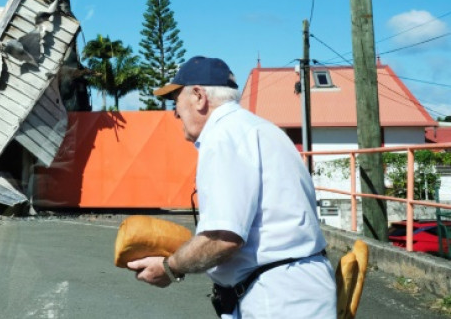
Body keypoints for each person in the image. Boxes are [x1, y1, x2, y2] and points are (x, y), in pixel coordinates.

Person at [127, 56, 335, 318]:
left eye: (175, 100)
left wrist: (170, 267)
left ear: (199, 96)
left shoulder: (222, 136)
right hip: (292, 288)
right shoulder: (258, 128)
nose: (175, 112)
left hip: (277, 299)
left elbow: (223, 239)